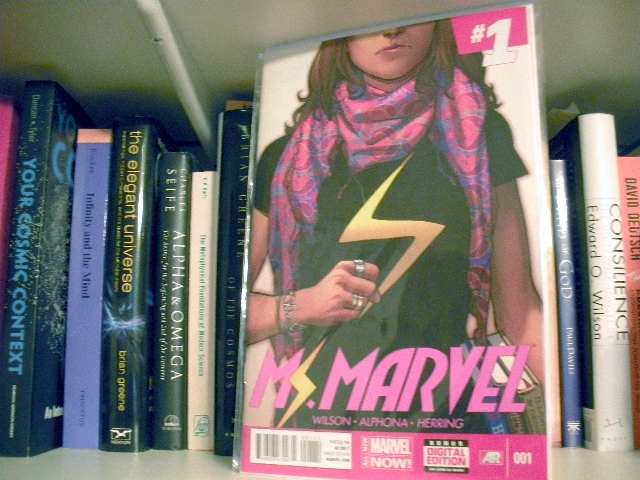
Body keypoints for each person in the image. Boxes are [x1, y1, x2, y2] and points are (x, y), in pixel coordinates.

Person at [246, 19, 543, 429]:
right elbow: (221, 319)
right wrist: (302, 305)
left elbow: (520, 310)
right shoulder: (287, 158)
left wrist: (562, 431)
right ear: (340, 38)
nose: (392, 30)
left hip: (445, 419)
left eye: (411, 12)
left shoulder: (479, 134)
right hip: (323, 420)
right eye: (370, 19)